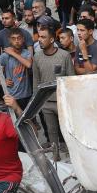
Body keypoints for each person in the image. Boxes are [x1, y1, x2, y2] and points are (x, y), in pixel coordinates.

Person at [32, 25, 75, 158]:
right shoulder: (37, 56)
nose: (39, 40)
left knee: (68, 130)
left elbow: (71, 79)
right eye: (39, 37)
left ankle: (74, 157)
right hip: (46, 102)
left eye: (43, 37)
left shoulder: (64, 55)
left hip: (62, 101)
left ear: (51, 40)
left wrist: (70, 101)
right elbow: (36, 80)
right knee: (52, 132)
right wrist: (37, 102)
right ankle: (56, 157)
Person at [0, 27, 32, 110]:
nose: (16, 41)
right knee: (14, 117)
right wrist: (1, 81)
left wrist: (12, 53)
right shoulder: (6, 56)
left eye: (19, 38)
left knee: (28, 116)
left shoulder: (26, 53)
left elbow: (28, 64)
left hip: (27, 94)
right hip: (12, 96)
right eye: (13, 38)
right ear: (9, 40)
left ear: (23, 39)